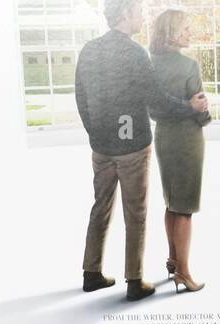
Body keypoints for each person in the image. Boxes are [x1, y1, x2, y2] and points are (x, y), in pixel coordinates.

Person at [75, 0, 208, 301]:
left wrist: (94, 132)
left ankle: (91, 273)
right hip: (132, 146)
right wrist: (189, 106)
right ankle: (135, 281)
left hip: (102, 146)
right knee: (135, 213)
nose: (142, 17)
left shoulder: (89, 50)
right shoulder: (135, 53)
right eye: (138, 12)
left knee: (101, 206)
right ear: (124, 15)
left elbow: (81, 97)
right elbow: (156, 100)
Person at [149, 8, 211, 293]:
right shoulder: (189, 67)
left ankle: (173, 260)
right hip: (187, 140)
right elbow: (198, 108)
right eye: (185, 28)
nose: (190, 33)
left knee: (172, 202)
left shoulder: (150, 65)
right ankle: (184, 274)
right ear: (172, 32)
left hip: (163, 137)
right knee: (184, 208)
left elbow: (153, 108)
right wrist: (204, 114)